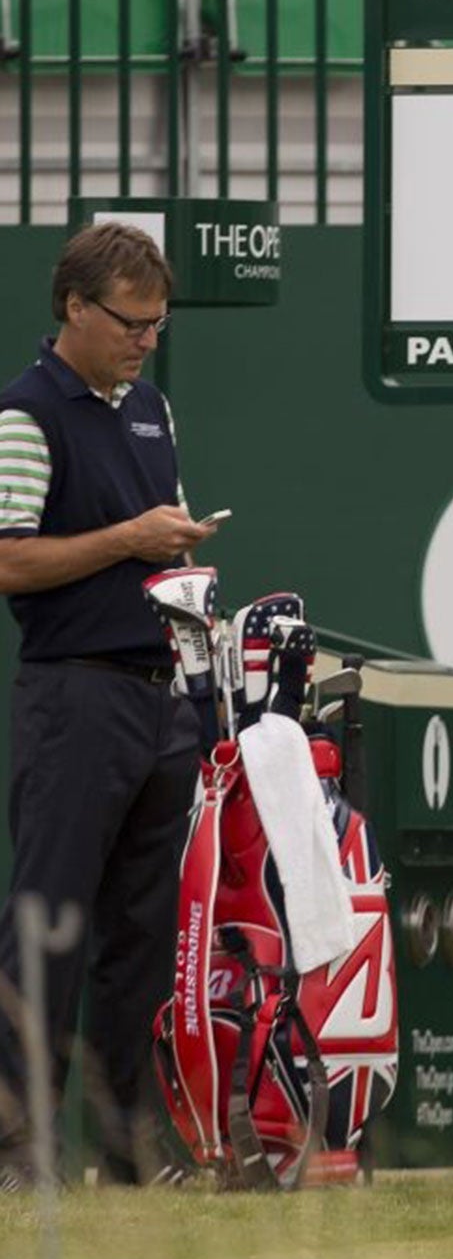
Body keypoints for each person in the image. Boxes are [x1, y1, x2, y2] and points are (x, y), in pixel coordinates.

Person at [0, 222, 218, 1188]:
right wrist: (130, 536)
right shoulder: (24, 415)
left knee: (144, 933)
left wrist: (173, 556)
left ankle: (128, 1152)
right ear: (75, 310)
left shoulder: (151, 409)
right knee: (49, 925)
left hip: (159, 690)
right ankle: (19, 1148)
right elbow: (10, 559)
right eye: (132, 322)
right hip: (74, 692)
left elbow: (146, 542)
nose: (145, 340)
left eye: (158, 324)